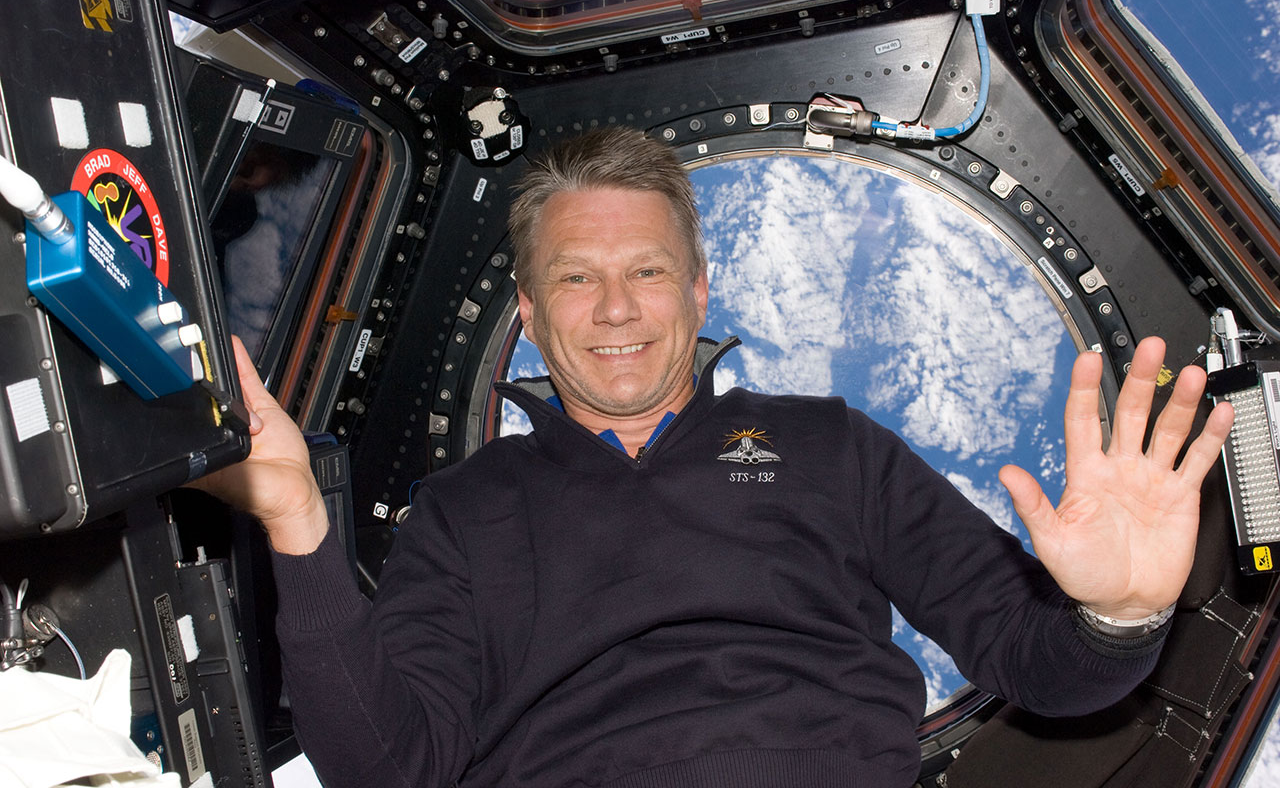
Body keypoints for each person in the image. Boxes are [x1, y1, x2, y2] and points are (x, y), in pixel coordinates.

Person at [199, 127, 1234, 787]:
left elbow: (1035, 662)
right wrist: (297, 521)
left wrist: (1121, 615)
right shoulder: (465, 510)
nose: (613, 308)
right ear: (525, 311)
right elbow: (389, 766)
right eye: (573, 277)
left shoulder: (826, 445)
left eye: (646, 270)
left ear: (697, 291)